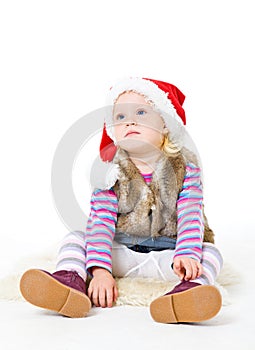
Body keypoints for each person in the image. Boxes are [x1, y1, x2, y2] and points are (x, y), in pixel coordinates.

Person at [20, 77, 223, 323]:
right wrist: (101, 271)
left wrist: (187, 255)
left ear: (166, 124)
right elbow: (101, 224)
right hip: (122, 254)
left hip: (169, 258)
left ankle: (190, 291)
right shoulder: (109, 171)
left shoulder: (185, 168)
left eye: (141, 112)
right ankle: (70, 280)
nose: (131, 121)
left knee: (209, 252)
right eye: (121, 117)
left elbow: (191, 214)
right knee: (76, 237)